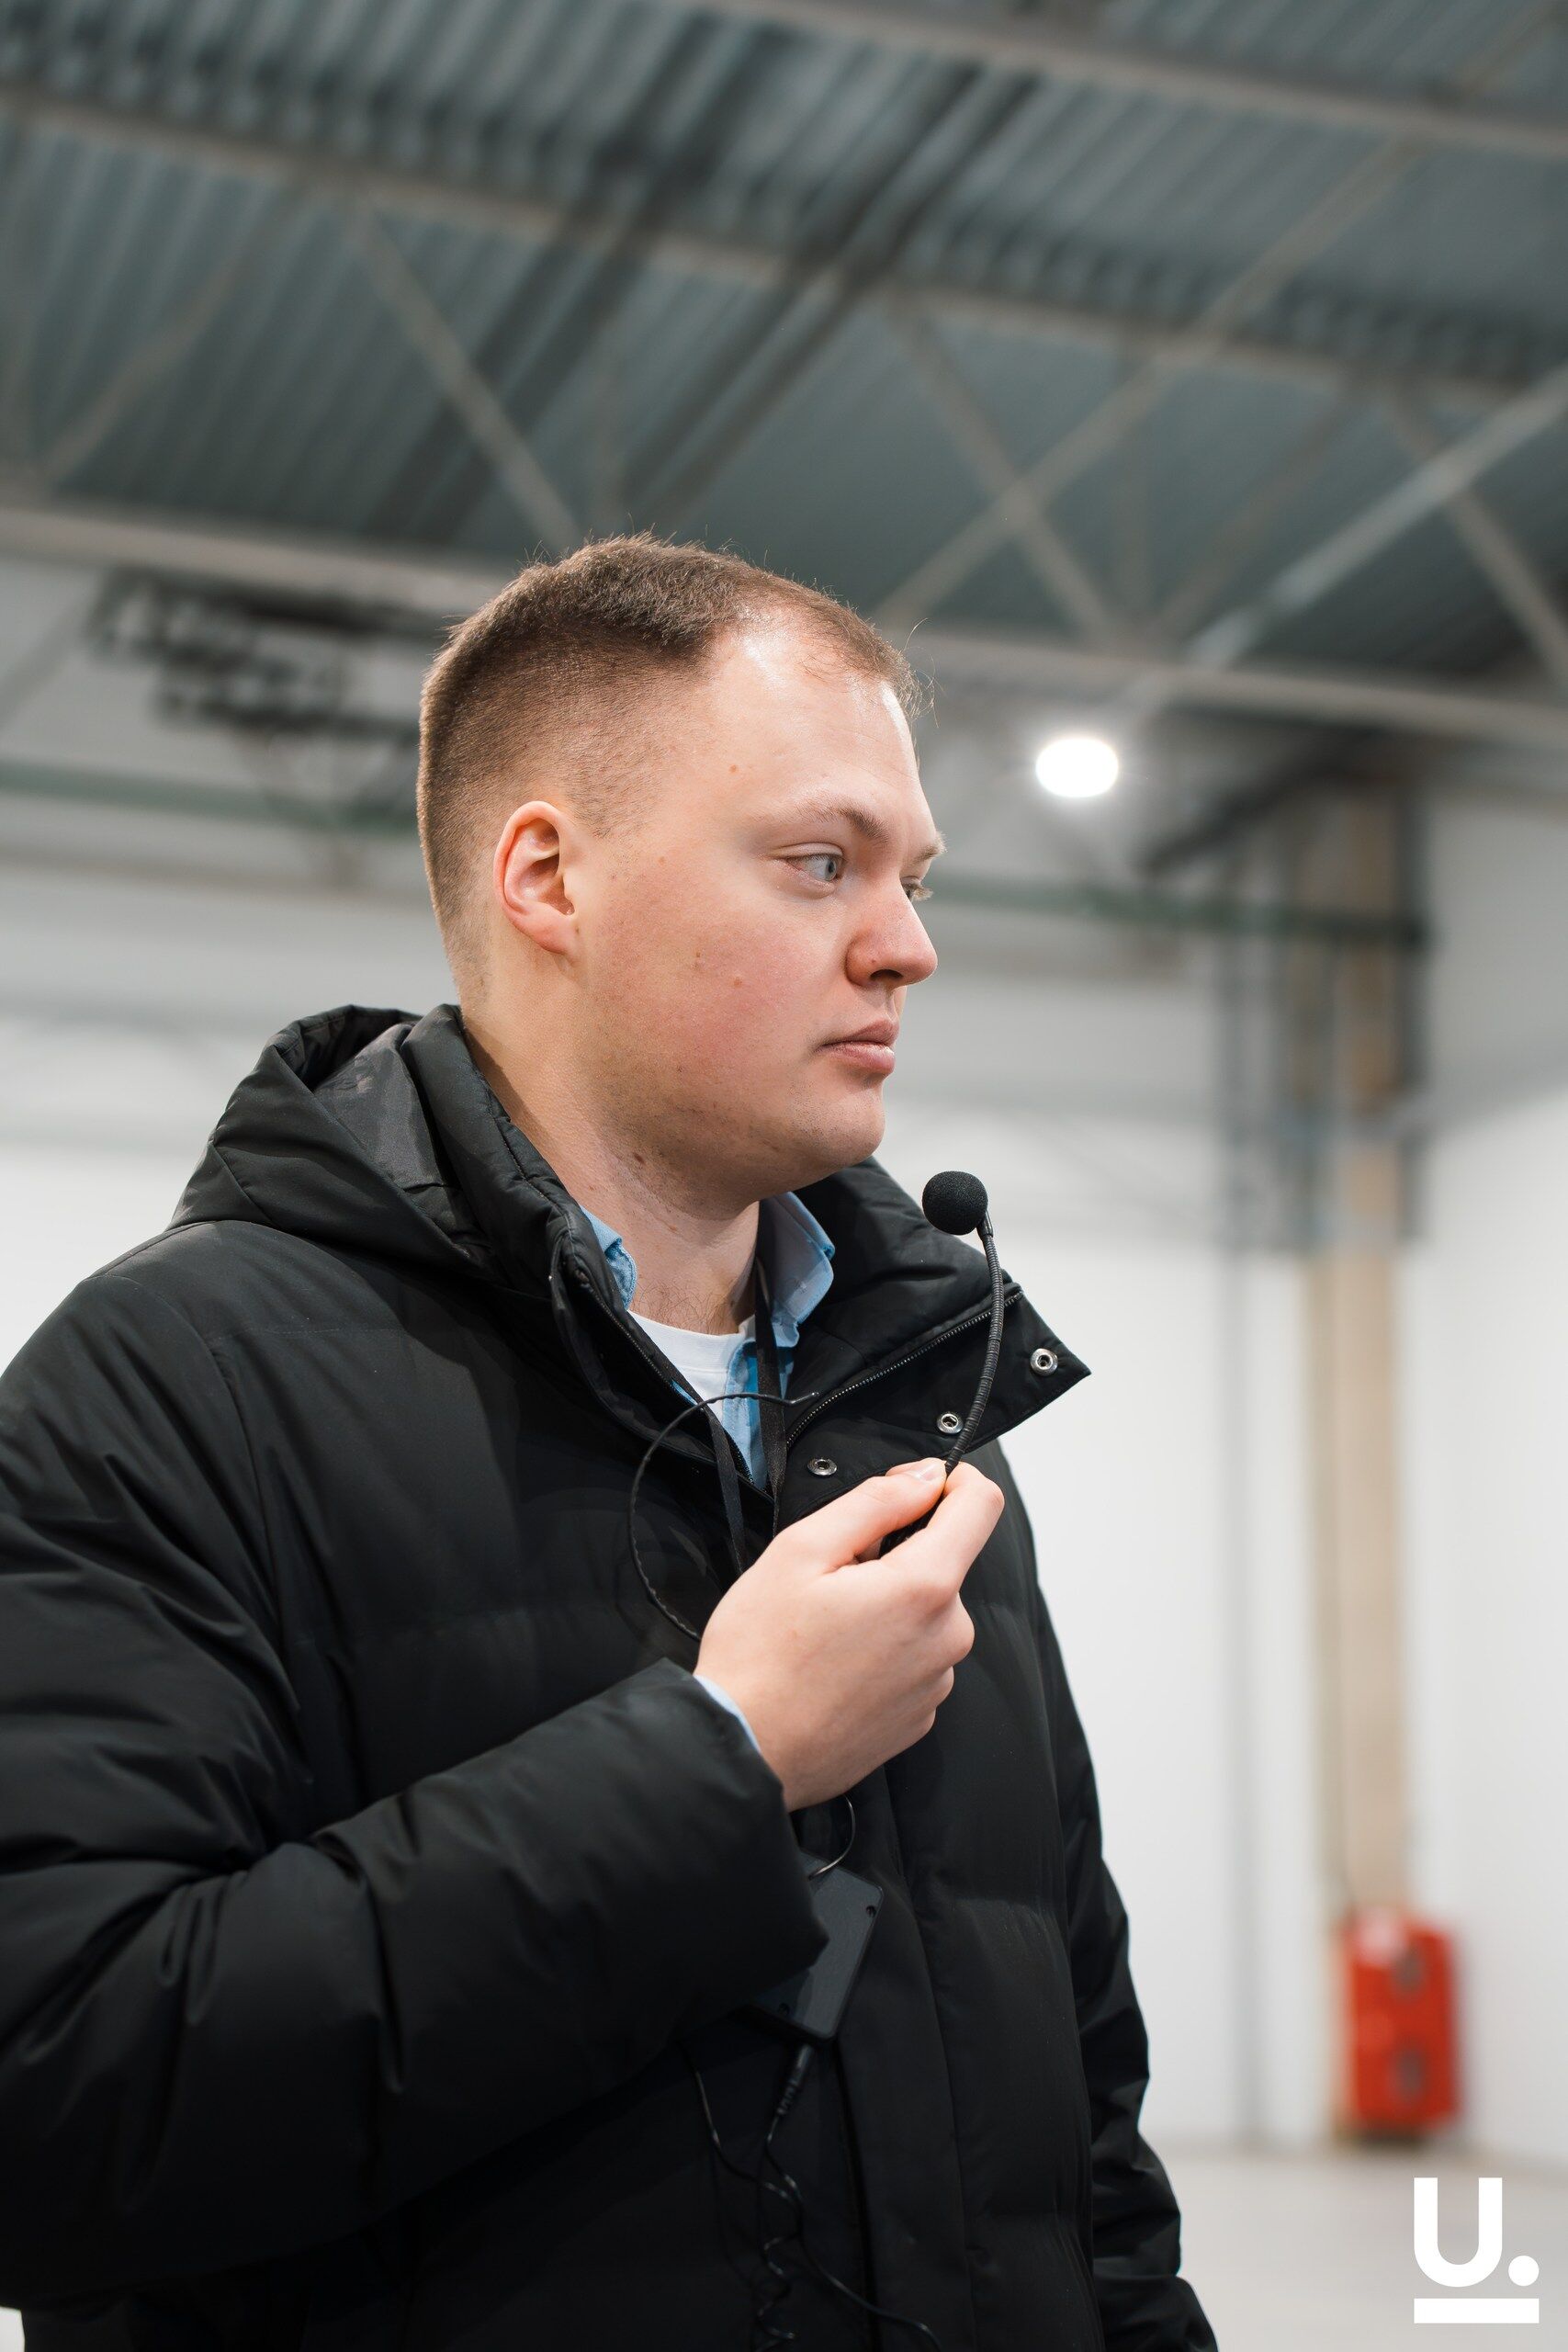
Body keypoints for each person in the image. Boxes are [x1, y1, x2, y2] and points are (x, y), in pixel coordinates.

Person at [0, 533, 1216, 2350]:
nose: (907, 944)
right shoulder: (169, 1385)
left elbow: (1080, 2115)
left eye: (910, 875)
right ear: (549, 875)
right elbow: (52, 2101)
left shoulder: (917, 1397)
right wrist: (719, 1766)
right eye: (820, 862)